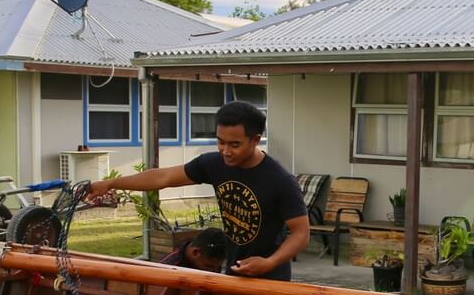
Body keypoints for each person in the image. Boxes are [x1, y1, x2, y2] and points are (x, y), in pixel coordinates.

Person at [85, 100, 309, 280]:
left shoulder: (280, 181)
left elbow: (301, 233)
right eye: (220, 142)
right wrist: (110, 183)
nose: (225, 151)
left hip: (271, 279)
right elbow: (163, 177)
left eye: (234, 145)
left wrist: (270, 262)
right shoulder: (214, 164)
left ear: (255, 140)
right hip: (233, 272)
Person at [162, 227, 227, 272]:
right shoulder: (167, 269)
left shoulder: (213, 263)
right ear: (195, 252)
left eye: (218, 267)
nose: (213, 271)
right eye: (208, 266)